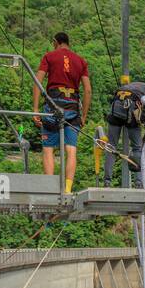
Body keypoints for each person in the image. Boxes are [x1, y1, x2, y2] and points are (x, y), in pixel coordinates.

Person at [32, 32, 91, 194]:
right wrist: (83, 115)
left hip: (53, 107)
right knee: (71, 149)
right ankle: (67, 188)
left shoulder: (49, 57)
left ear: (55, 42)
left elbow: (38, 82)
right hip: (72, 108)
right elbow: (87, 90)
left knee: (48, 148)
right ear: (68, 43)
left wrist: (36, 109)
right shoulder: (81, 61)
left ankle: (50, 189)